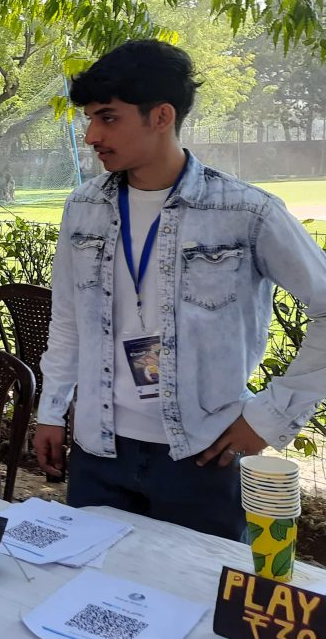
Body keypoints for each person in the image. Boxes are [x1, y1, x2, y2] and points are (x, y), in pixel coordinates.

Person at [33, 39, 326, 540]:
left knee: (198, 586)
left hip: (203, 454)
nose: (91, 135)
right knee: (93, 580)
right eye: (90, 119)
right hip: (99, 450)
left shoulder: (245, 211)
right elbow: (67, 319)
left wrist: (268, 418)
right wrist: (52, 411)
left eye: (108, 118)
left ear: (161, 116)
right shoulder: (84, 206)